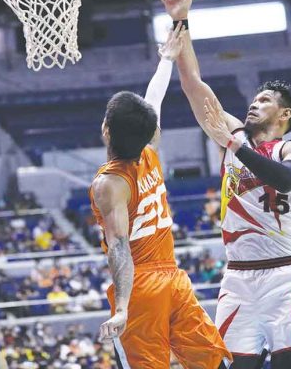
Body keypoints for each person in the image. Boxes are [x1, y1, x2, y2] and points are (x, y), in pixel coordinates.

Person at [153, 0, 291, 368]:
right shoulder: (234, 136)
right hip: (238, 279)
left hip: (286, 274)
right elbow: (195, 86)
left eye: (264, 101)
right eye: (254, 98)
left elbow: (287, 179)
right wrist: (180, 18)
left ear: (284, 116)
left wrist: (235, 146)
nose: (253, 103)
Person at [89, 23, 231, 369]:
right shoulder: (150, 151)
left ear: (106, 130)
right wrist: (166, 59)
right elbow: (154, 101)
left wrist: (122, 307)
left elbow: (120, 245)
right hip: (173, 279)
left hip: (141, 287)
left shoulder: (110, 184)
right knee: (213, 362)